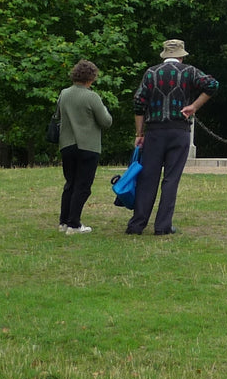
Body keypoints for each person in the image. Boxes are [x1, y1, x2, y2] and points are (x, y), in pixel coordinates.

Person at [127, 39, 218, 236]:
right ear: (181, 55)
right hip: (179, 131)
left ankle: (137, 224)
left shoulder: (151, 73)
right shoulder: (190, 71)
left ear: (164, 55)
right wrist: (194, 106)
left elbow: (138, 103)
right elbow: (212, 84)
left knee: (147, 178)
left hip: (154, 132)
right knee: (171, 179)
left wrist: (139, 133)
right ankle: (162, 226)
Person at [56, 59, 113, 235]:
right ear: (91, 78)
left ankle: (64, 222)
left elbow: (58, 115)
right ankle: (74, 224)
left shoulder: (64, 94)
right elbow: (106, 121)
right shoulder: (92, 96)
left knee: (70, 184)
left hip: (67, 144)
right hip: (88, 146)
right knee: (83, 186)